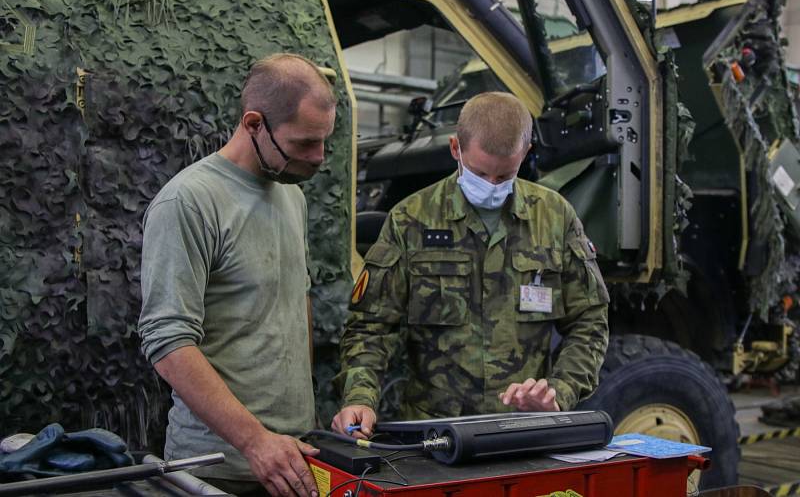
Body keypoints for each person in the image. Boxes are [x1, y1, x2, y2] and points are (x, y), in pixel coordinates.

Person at [332, 92, 609, 438]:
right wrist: (360, 397)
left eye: (504, 175)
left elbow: (590, 321)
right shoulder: (411, 220)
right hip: (433, 434)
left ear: (524, 154)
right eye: (480, 173)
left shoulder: (554, 218)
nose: (492, 186)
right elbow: (371, 326)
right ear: (455, 149)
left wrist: (558, 393)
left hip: (521, 431)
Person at [138, 53, 336, 497]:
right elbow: (168, 342)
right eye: (305, 144)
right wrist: (254, 440)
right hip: (219, 467)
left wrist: (305, 420)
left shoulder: (291, 195)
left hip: (293, 454)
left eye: (325, 141)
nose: (319, 158)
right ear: (253, 124)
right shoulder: (189, 202)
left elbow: (295, 302)